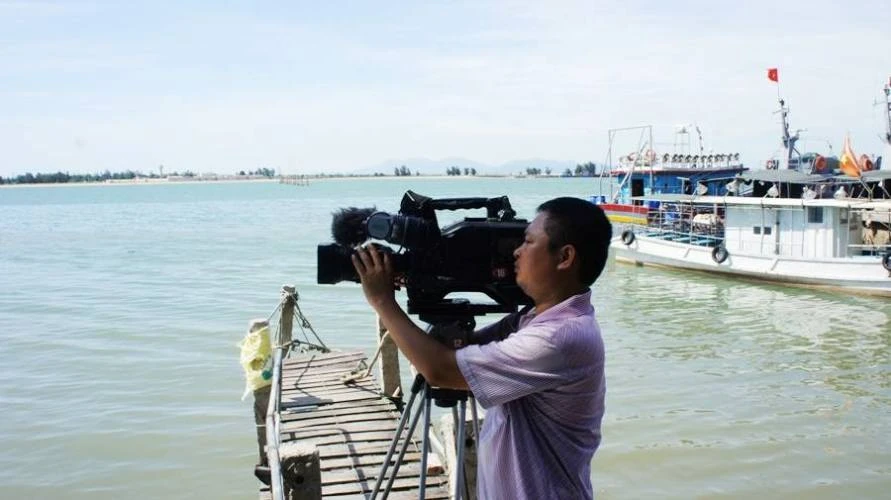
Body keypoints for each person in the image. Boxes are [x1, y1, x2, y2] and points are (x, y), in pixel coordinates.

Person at [352, 197, 611, 499]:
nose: (516, 252)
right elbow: (454, 352)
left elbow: (441, 370)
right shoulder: (533, 321)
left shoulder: (561, 337)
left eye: (528, 242)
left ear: (564, 257)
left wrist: (381, 300)